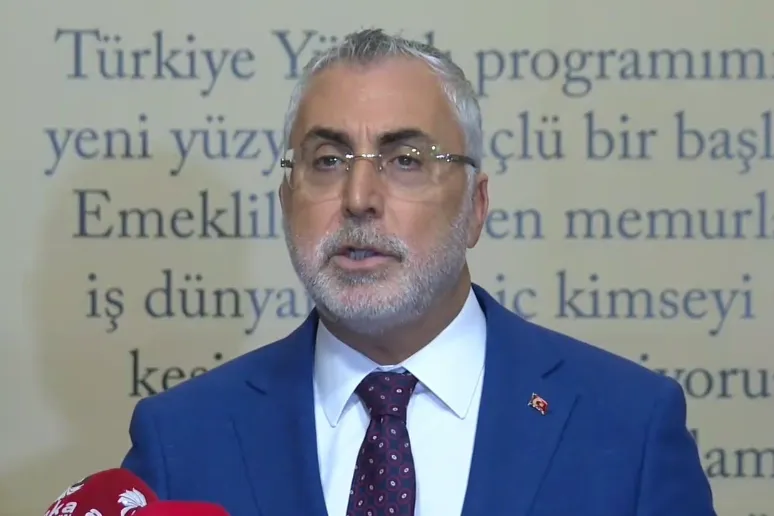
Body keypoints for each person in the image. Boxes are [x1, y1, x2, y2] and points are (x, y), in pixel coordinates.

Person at [121, 28, 716, 516]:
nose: (358, 198)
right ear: (286, 202)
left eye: (405, 160)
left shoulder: (628, 426)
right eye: (327, 161)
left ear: (475, 207)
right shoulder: (181, 439)